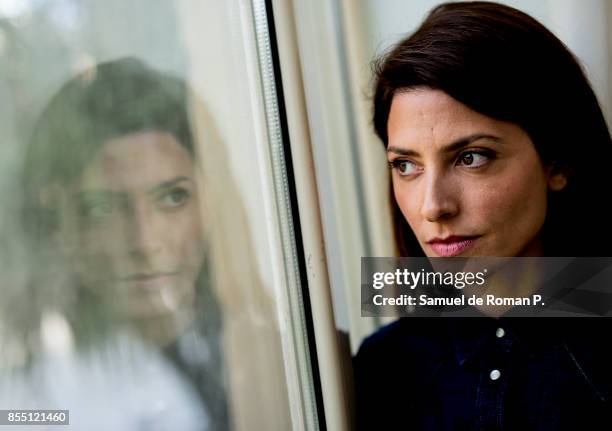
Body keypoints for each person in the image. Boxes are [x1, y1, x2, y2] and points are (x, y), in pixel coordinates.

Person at [354, 2, 612, 429]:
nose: (433, 206)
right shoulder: (384, 368)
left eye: (471, 157)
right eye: (406, 165)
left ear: (559, 163)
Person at [11, 58, 291, 430]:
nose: (144, 241)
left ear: (211, 204)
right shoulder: (29, 396)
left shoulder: (292, 361)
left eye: (173, 198)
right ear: (57, 227)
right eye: (103, 208)